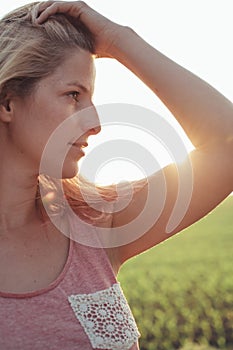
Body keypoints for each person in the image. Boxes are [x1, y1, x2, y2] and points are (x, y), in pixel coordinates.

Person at [0, 1, 232, 349]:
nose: (95, 123)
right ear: (7, 102)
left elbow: (226, 145)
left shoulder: (96, 223)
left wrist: (118, 39)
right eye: (73, 95)